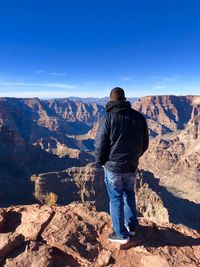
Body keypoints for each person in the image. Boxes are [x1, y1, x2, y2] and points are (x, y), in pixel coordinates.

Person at [95, 87, 149, 244]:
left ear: (111, 101)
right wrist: (134, 157)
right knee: (129, 194)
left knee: (116, 198)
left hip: (113, 167)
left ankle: (120, 234)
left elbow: (100, 145)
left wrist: (100, 161)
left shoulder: (107, 118)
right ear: (124, 99)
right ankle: (132, 227)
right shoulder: (139, 117)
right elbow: (144, 144)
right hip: (131, 166)